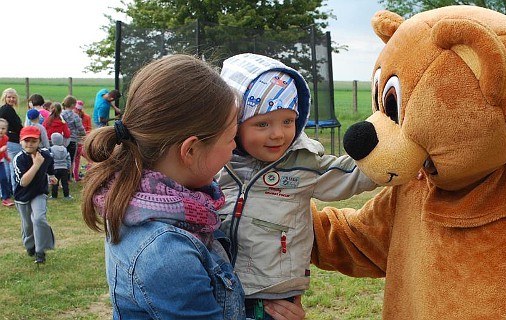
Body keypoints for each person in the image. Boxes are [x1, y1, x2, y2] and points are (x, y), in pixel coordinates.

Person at [80, 54, 305, 320]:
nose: (235, 147)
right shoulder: (167, 254)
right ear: (191, 149)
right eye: (231, 138)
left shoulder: (154, 203)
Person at [216, 53, 376, 319]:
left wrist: (400, 162)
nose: (278, 133)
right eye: (263, 123)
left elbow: (350, 174)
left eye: (288, 121)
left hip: (271, 300)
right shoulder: (216, 163)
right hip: (217, 288)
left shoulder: (303, 165)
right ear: (234, 124)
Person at [13, 125, 57, 264]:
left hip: (39, 192)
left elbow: (50, 166)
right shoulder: (19, 159)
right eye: (27, 141)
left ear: (39, 142)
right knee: (27, 225)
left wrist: (52, 175)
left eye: (33, 141)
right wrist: (36, 164)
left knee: (38, 219)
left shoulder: (46, 154)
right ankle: (30, 245)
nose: (30, 144)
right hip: (22, 196)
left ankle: (40, 250)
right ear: (21, 141)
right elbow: (24, 182)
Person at [0, 88, 24, 192]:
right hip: (12, 142)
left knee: (6, 166)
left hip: (7, 141)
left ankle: (5, 191)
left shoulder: (5, 109)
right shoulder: (7, 109)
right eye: (9, 97)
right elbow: (17, 126)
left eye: (13, 97)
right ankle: (14, 190)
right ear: (4, 98)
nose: (11, 99)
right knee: (13, 167)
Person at [60, 96, 86, 181]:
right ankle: (68, 177)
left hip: (62, 139)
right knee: (71, 159)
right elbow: (80, 128)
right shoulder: (75, 116)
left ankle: (61, 176)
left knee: (62, 159)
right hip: (73, 139)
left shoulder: (61, 114)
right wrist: (84, 135)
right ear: (72, 105)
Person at [72, 100, 92, 181]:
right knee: (90, 160)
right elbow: (89, 130)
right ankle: (88, 174)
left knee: (76, 162)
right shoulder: (86, 117)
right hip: (83, 143)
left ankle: (76, 177)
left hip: (76, 143)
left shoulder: (72, 117)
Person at [49, 132, 71, 199]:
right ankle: (66, 195)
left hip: (55, 168)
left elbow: (50, 158)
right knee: (65, 183)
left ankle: (54, 196)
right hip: (64, 168)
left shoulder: (51, 149)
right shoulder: (65, 149)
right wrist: (68, 167)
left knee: (55, 183)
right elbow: (68, 158)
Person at [0, 119, 14, 206]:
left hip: (0, 162)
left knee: (4, 178)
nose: (1, 130)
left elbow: (4, 150)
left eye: (3, 128)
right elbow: (2, 149)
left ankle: (6, 198)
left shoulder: (5, 138)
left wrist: (7, 157)